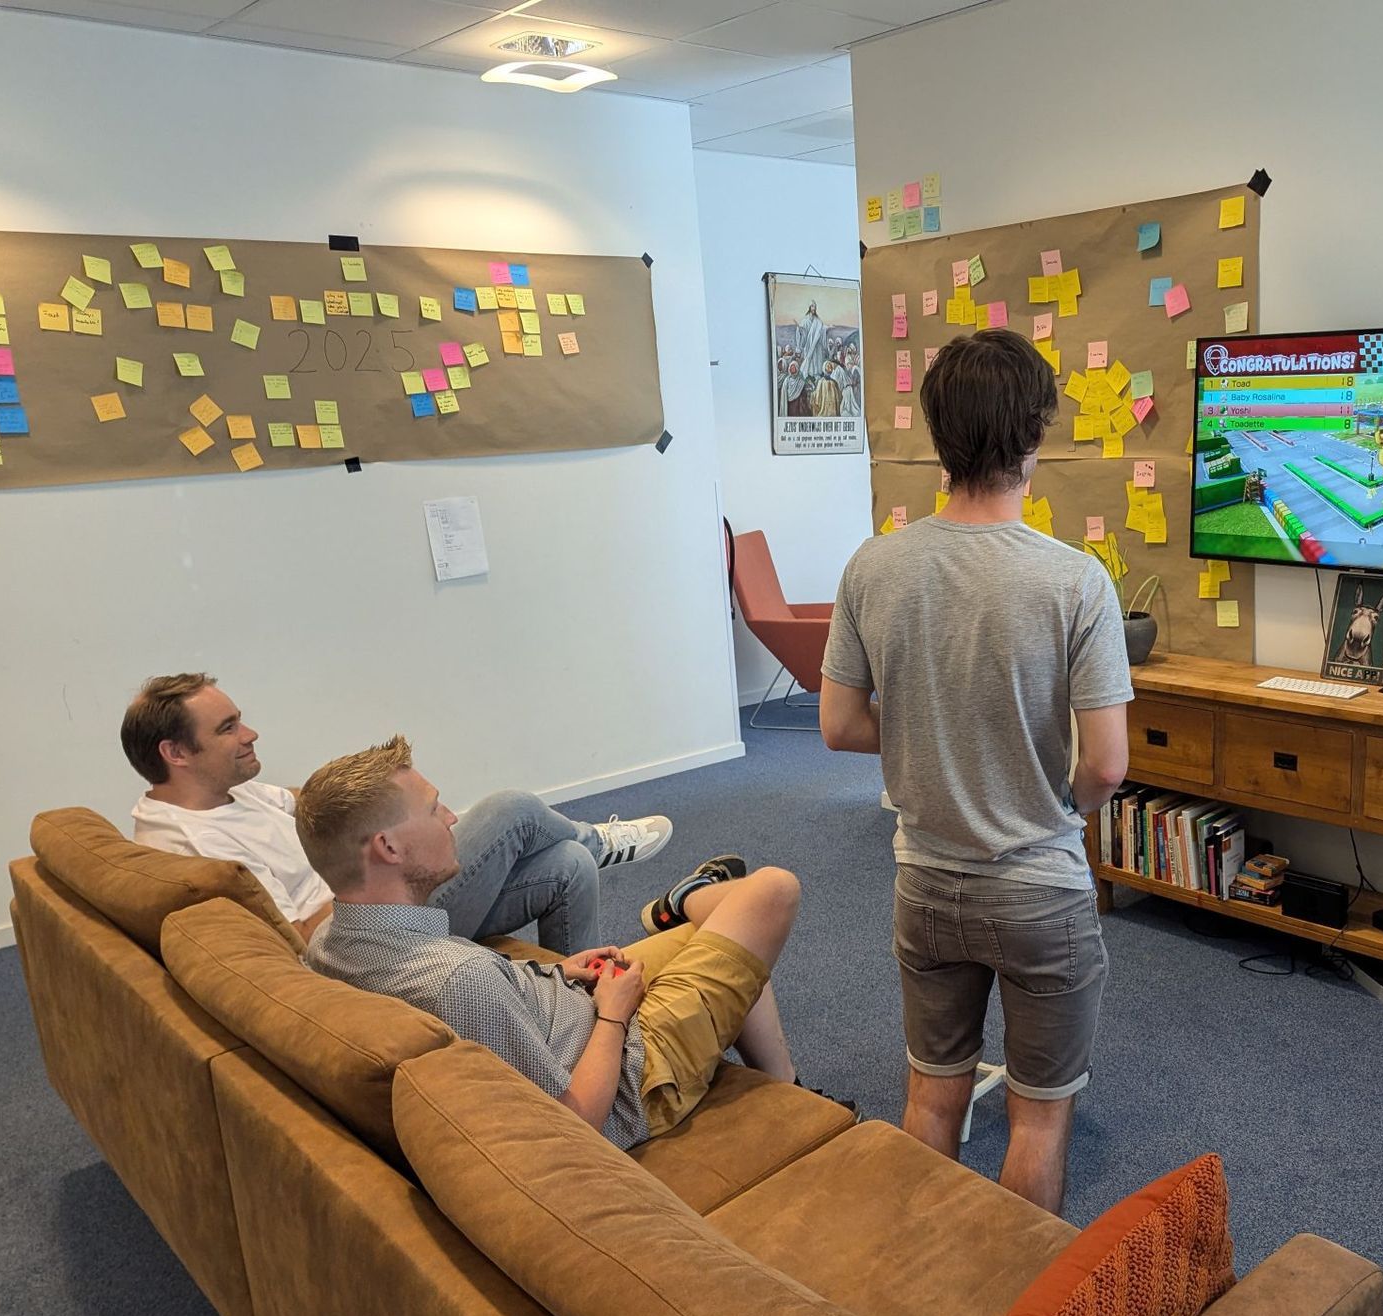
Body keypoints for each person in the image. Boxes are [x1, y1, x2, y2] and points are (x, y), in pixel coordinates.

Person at [818, 329, 1131, 1214]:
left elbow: (840, 725)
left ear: (937, 434)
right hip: (1040, 891)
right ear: (1036, 434)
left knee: (931, 1094)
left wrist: (931, 734)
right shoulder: (1076, 582)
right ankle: (1014, 1293)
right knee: (1038, 1117)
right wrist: (1062, 802)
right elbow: (1107, 764)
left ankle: (927, 1272)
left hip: (924, 887)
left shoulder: (873, 565)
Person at [299, 736, 813, 1146]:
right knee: (770, 891)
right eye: (434, 810)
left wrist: (555, 972)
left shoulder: (327, 943)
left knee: (727, 930)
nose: (453, 818)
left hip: (574, 1008)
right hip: (636, 1072)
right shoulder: (459, 980)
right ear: (388, 848)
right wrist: (613, 1014)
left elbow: (487, 995)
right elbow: (573, 1122)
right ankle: (688, 900)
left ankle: (791, 1092)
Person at [121, 673, 671, 950]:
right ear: (176, 753)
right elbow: (296, 939)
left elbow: (315, 804)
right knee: (512, 810)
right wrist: (376, 859)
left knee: (568, 865)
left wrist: (383, 811)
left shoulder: (234, 792)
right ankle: (602, 840)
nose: (251, 733)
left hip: (374, 895)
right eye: (228, 728)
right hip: (365, 935)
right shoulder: (190, 847)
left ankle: (580, 1004)